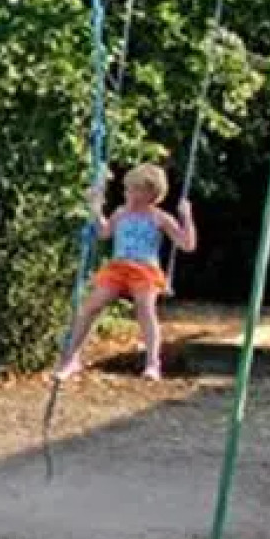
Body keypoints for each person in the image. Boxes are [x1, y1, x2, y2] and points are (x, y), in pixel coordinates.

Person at [53, 161, 197, 382]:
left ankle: (152, 363)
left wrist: (186, 216)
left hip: (145, 269)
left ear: (148, 194)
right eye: (127, 188)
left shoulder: (158, 217)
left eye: (131, 189)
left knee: (145, 308)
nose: (126, 193)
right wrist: (95, 209)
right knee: (90, 306)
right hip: (118, 267)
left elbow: (187, 244)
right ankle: (72, 358)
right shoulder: (121, 213)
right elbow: (104, 233)